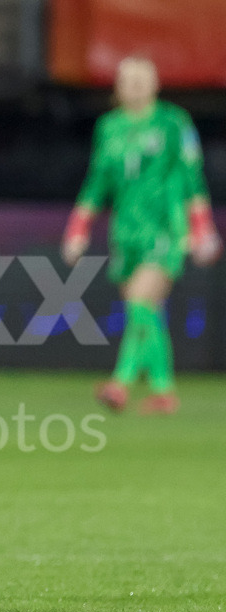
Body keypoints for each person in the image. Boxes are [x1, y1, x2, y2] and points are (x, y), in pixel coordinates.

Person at [62, 56, 221, 415]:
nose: (133, 85)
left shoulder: (172, 122)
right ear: (117, 86)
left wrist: (201, 228)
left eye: (140, 78)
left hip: (165, 227)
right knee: (145, 313)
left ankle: (121, 383)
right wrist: (78, 228)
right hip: (126, 232)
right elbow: (97, 182)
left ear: (155, 84)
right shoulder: (109, 126)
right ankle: (164, 391)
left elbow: (192, 178)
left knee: (139, 301)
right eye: (127, 79)